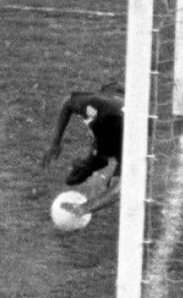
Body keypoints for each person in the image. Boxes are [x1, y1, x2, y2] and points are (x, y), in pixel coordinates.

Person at [42, 82, 125, 218]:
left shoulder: (130, 147)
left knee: (119, 180)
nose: (88, 135)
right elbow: (68, 102)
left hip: (122, 126)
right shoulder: (95, 104)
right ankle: (95, 161)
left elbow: (118, 191)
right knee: (75, 177)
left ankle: (96, 160)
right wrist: (55, 143)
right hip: (111, 97)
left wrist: (85, 208)